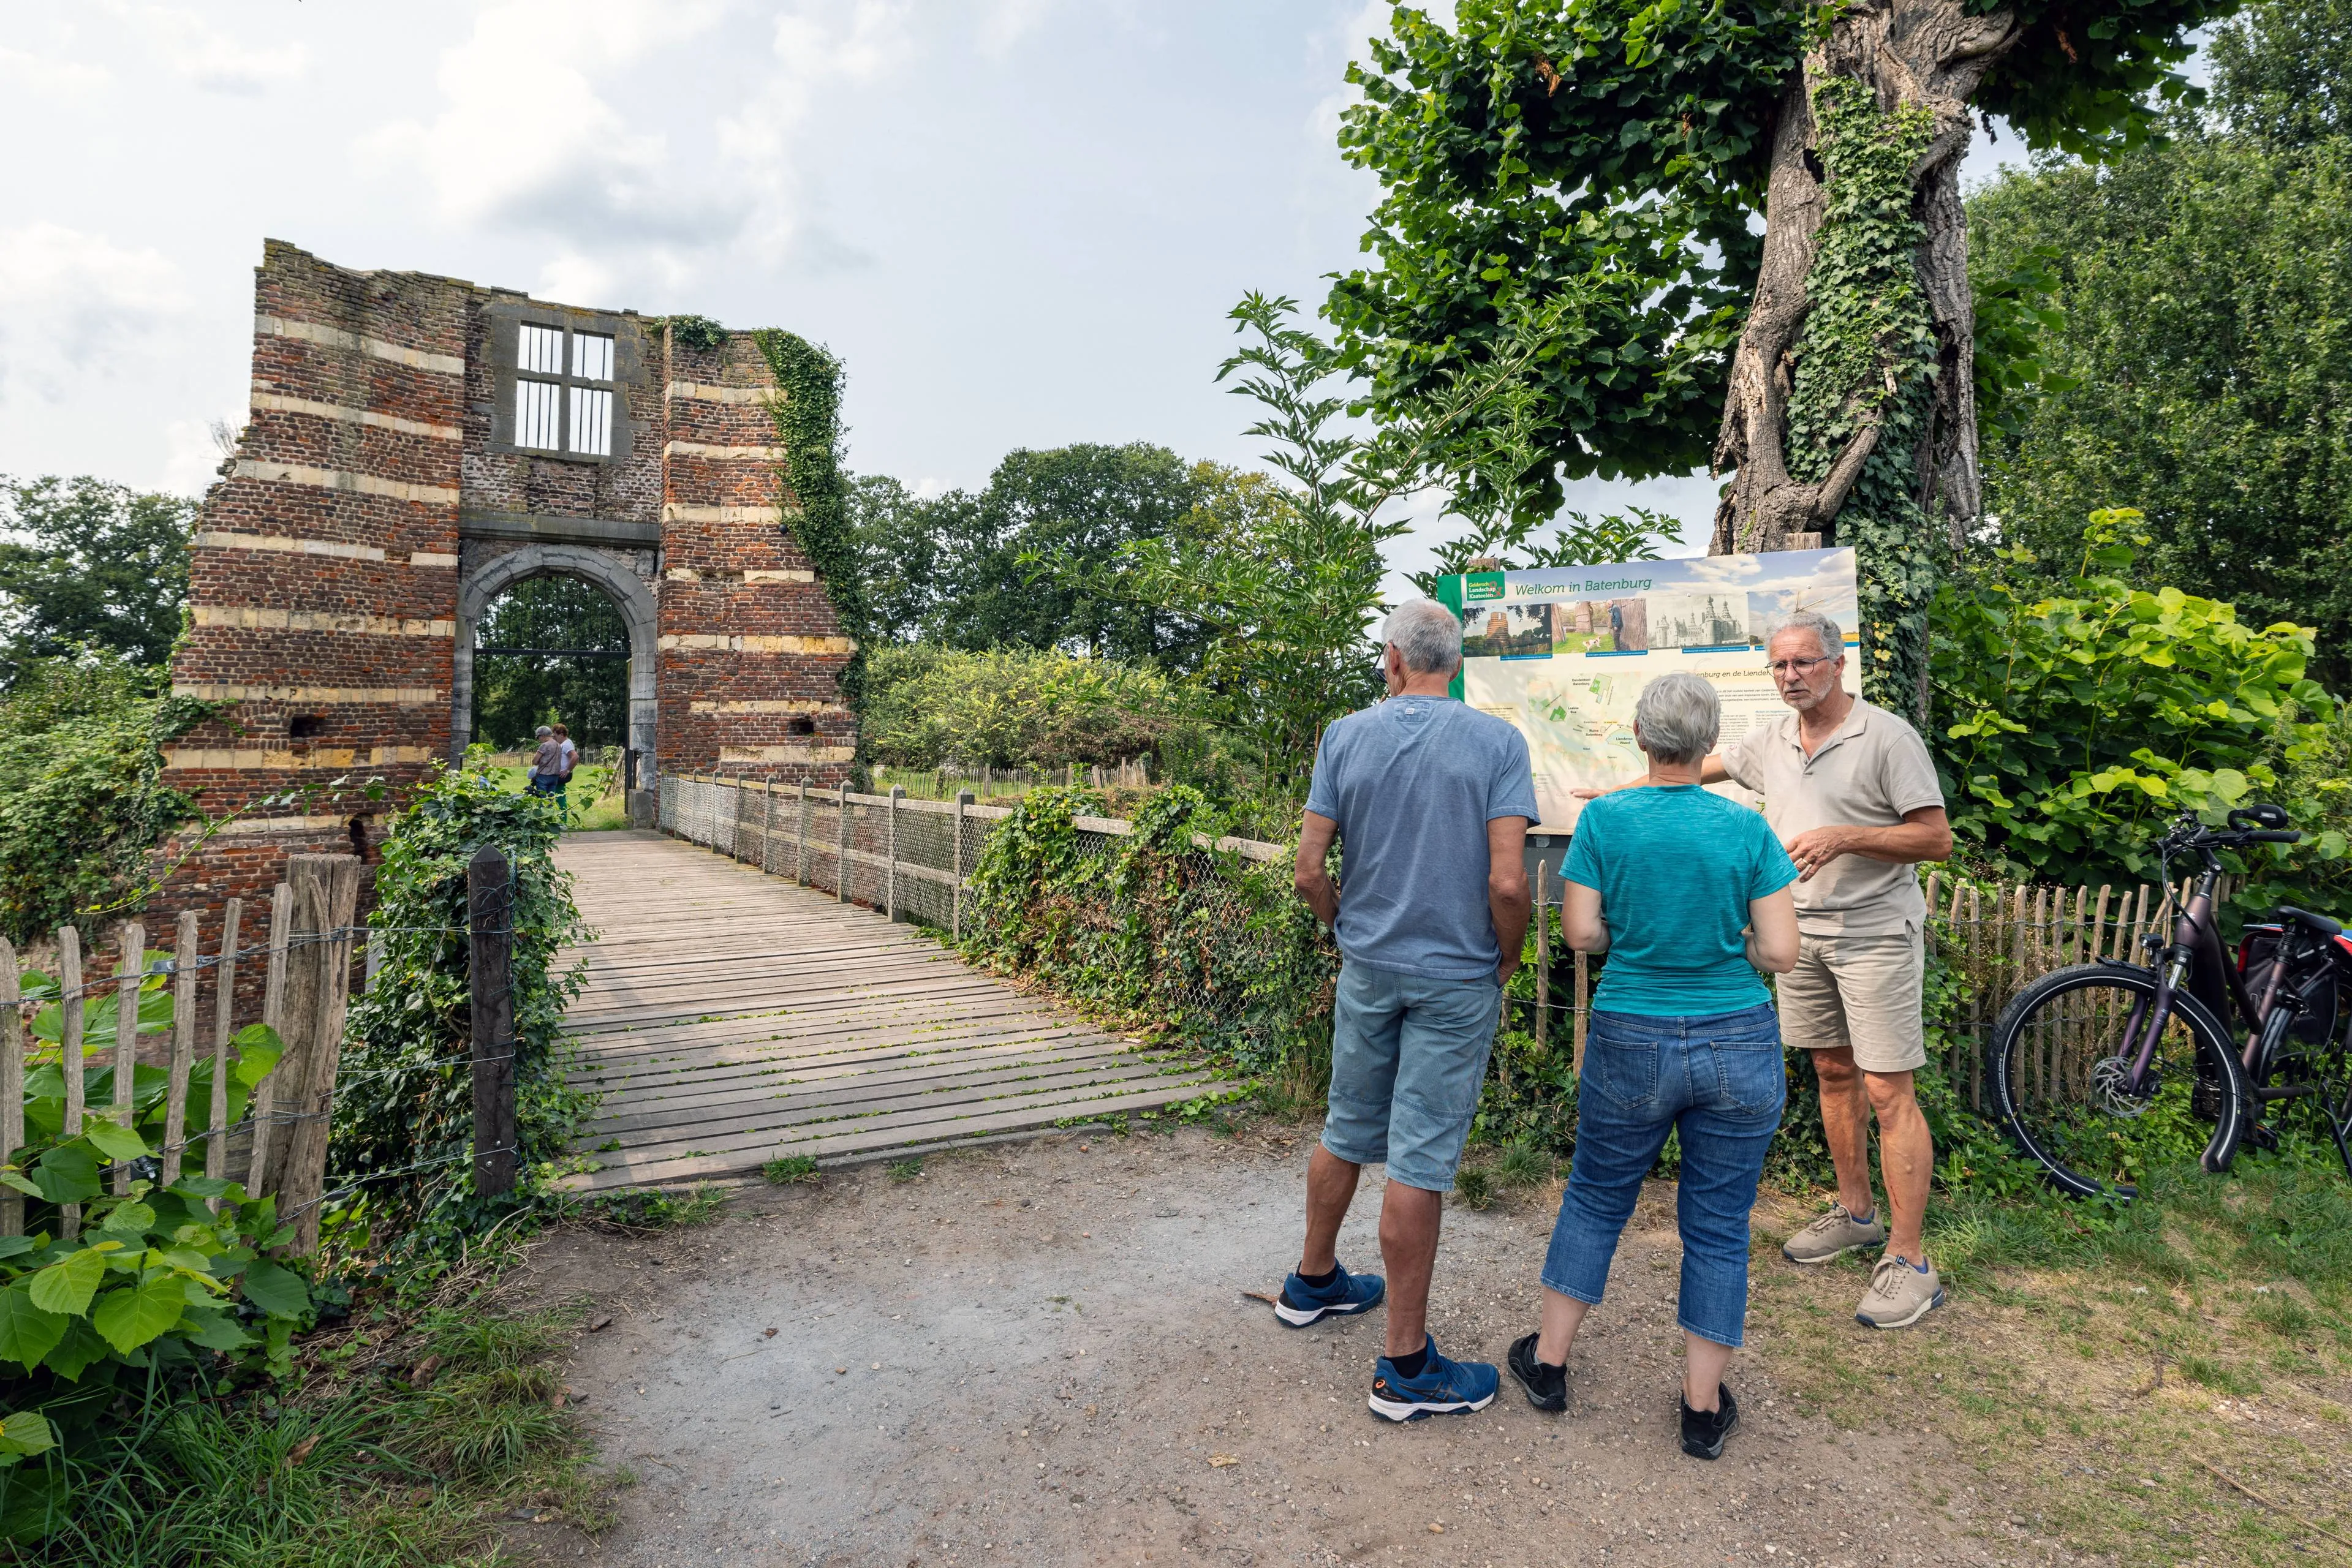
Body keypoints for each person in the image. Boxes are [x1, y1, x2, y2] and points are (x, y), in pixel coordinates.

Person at [1578, 609, 1954, 1329]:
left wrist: (1844, 837)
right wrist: (1622, 796)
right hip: (1798, 935)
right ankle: (1856, 1213)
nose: (1789, 676)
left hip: (1872, 933)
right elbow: (1696, 764)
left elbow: (1934, 838)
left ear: (1837, 664)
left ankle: (1909, 1261)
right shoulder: (1774, 738)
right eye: (1779, 665)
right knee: (1832, 1073)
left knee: (1887, 1088)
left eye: (1803, 662)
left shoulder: (1885, 736)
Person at [1508, 671, 1799, 1459]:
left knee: (1596, 1195)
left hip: (1630, 1032)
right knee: (1718, 1223)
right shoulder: (1746, 829)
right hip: (1736, 1036)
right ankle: (1700, 1410)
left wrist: (1627, 937)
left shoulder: (1604, 820)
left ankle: (1549, 1364)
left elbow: (1580, 933)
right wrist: (1728, 945)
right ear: (1709, 743)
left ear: (1639, 736)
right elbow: (1780, 951)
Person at [1277, 597, 1537, 1423]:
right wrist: (1506, 955)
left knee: (1345, 1126)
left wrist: (1341, 928)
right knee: (1418, 1159)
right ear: (1453, 664)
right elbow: (1507, 881)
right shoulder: (1497, 743)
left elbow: (1308, 870)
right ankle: (1403, 1366)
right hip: (1454, 977)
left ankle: (1312, 1281)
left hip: (1369, 967)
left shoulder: (1344, 736)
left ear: (1392, 659)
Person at [527, 725, 562, 797]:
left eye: (538, 737)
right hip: (555, 776)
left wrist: (539, 762)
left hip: (544, 775)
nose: (539, 739)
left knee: (542, 798)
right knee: (551, 797)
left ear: (542, 735)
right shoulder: (558, 745)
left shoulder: (544, 745)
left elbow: (534, 761)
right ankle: (551, 805)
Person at [553, 723, 578, 802]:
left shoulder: (567, 744)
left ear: (561, 734)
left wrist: (568, 770)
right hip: (561, 774)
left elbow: (575, 757)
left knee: (559, 796)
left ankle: (562, 810)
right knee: (558, 795)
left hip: (562, 775)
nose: (554, 738)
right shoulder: (564, 744)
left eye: (555, 736)